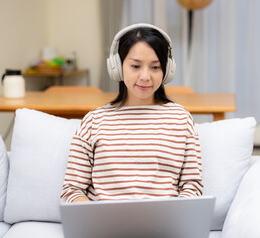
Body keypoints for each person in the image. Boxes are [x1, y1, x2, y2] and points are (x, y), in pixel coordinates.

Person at [60, 23, 203, 203]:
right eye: (135, 66)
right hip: (105, 227)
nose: (145, 76)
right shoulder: (94, 120)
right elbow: (72, 190)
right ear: (117, 67)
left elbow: (192, 186)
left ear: (167, 70)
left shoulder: (181, 119)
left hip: (163, 228)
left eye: (155, 67)